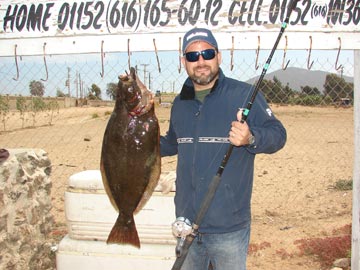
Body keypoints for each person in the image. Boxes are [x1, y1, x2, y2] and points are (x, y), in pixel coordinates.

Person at [160, 27, 287, 270]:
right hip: (186, 221)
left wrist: (251, 138)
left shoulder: (244, 93)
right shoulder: (180, 103)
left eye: (207, 53)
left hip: (228, 226)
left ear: (219, 56)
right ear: (183, 62)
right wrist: (134, 141)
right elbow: (172, 142)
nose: (200, 62)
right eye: (192, 56)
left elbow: (278, 134)